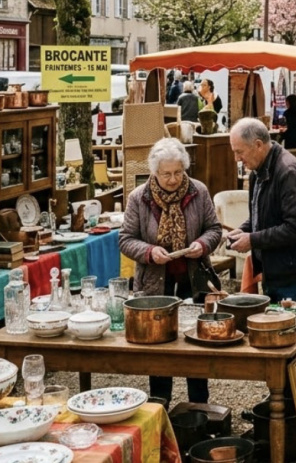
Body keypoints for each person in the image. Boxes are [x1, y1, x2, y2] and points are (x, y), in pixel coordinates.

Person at [119, 138, 222, 403]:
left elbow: (214, 228)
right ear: (154, 172)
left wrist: (202, 244)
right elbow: (125, 239)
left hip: (193, 280)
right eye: (166, 174)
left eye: (178, 172)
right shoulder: (139, 198)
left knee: (197, 346)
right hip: (155, 285)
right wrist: (150, 252)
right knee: (160, 349)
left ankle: (199, 408)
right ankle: (160, 407)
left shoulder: (198, 191)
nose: (174, 179)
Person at [227, 118, 296, 301]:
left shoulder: (288, 173)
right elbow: (263, 212)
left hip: (294, 272)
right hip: (277, 268)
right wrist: (244, 230)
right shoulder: (259, 169)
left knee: (292, 326)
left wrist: (253, 239)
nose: (236, 159)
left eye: (239, 152)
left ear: (258, 145)